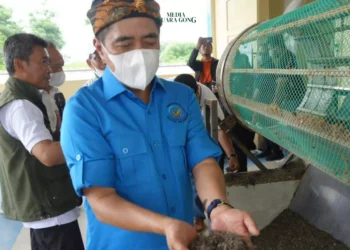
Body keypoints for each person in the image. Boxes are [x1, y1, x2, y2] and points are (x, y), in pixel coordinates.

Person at [61, 1, 260, 250]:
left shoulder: (181, 97)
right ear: (99, 48)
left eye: (149, 41)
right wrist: (165, 226)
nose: (139, 52)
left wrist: (217, 207)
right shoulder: (85, 109)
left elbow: (203, 161)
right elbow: (101, 198)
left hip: (184, 241)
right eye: (124, 44)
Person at [0, 33, 84, 250]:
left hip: (49, 203)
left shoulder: (31, 97)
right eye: (44, 62)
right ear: (19, 64)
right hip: (49, 206)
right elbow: (48, 154)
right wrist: (92, 144)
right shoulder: (21, 106)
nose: (50, 69)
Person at [174, 74, 239, 232]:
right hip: (178, 137)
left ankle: (198, 216)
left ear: (197, 92)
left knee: (202, 175)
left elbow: (219, 130)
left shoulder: (209, 98)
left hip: (203, 137)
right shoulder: (168, 96)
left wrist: (231, 155)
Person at [41, 41, 65, 139]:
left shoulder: (56, 93)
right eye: (56, 67)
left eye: (62, 66)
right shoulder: (29, 99)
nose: (61, 71)